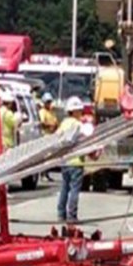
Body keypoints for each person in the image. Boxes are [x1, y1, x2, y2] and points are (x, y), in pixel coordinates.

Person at [57, 98, 88, 230]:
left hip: (65, 160)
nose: (81, 112)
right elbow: (86, 138)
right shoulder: (78, 125)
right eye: (79, 110)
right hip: (76, 161)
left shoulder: (63, 123)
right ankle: (72, 216)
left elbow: (57, 137)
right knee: (74, 189)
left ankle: (61, 214)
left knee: (65, 187)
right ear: (74, 111)